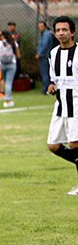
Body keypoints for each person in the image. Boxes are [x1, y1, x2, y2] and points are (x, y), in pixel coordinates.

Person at [46, 16, 78, 195]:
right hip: (61, 105)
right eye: (58, 30)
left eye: (64, 30)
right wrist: (51, 86)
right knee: (53, 145)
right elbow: (54, 79)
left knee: (75, 144)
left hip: (76, 104)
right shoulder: (53, 53)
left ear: (72, 32)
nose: (61, 33)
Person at [0, 30, 20, 108]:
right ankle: (7, 100)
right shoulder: (13, 42)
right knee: (9, 82)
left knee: (5, 82)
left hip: (2, 63)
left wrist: (0, 57)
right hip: (11, 63)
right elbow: (18, 54)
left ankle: (9, 99)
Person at [37, 20, 54, 92]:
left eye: (41, 26)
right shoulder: (45, 34)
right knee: (47, 73)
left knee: (45, 73)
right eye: (39, 26)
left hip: (44, 56)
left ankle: (46, 89)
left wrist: (39, 54)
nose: (39, 28)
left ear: (45, 26)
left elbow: (45, 45)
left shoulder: (46, 34)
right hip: (46, 56)